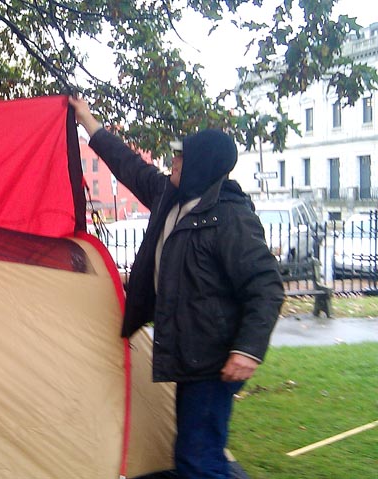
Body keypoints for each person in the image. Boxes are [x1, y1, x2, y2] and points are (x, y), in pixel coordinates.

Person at [69, 96, 284, 479]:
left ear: (202, 165)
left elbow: (266, 286)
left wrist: (248, 350)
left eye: (181, 158)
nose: (174, 162)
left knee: (197, 457)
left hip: (215, 358)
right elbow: (129, 166)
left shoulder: (230, 217)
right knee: (199, 451)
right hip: (189, 353)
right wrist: (87, 120)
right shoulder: (171, 197)